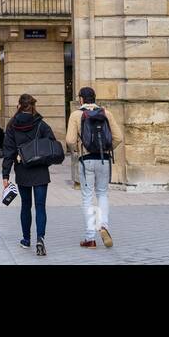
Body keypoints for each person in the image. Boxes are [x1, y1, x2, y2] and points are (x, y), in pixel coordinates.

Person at [65, 86, 123, 249]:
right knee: (103, 194)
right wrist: (107, 148)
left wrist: (77, 151)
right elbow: (119, 137)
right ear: (94, 98)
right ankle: (103, 225)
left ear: (81, 99)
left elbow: (70, 140)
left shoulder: (76, 115)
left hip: (86, 160)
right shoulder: (106, 113)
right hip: (103, 158)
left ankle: (90, 238)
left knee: (87, 197)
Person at [1, 93, 57, 256]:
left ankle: (26, 239)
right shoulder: (42, 124)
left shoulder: (12, 126)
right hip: (40, 169)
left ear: (19, 106)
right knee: (40, 206)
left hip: (22, 170)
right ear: (33, 106)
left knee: (26, 205)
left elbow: (8, 151)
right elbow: (52, 144)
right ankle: (40, 238)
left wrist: (5, 175)